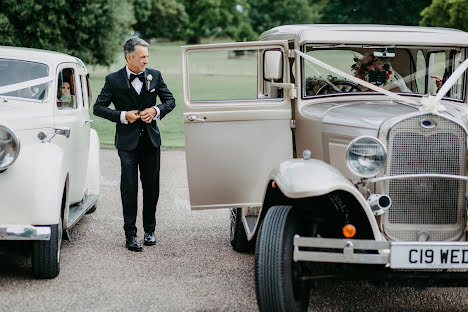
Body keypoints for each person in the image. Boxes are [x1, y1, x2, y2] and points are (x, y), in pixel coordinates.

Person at [93, 37, 175, 252]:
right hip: (127, 144)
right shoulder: (113, 80)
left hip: (151, 141)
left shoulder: (154, 76)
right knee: (129, 189)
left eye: (147, 57)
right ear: (129, 57)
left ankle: (150, 230)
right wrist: (122, 115)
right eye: (142, 57)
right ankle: (130, 235)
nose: (146, 61)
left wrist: (155, 111)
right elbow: (98, 107)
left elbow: (170, 101)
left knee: (151, 187)